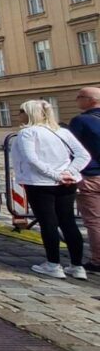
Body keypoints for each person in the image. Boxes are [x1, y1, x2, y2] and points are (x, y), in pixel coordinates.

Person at [10, 100, 90, 279]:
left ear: (29, 113)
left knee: (48, 223)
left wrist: (57, 175)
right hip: (66, 182)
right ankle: (77, 265)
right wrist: (69, 172)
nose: (18, 115)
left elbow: (32, 159)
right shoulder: (62, 131)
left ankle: (53, 264)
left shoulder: (27, 132)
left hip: (40, 183)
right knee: (67, 222)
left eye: (20, 111)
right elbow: (83, 155)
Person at [70, 87, 100, 272]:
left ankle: (98, 260)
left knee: (95, 221)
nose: (76, 100)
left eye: (79, 97)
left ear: (89, 100)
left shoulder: (81, 121)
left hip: (91, 176)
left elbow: (71, 149)